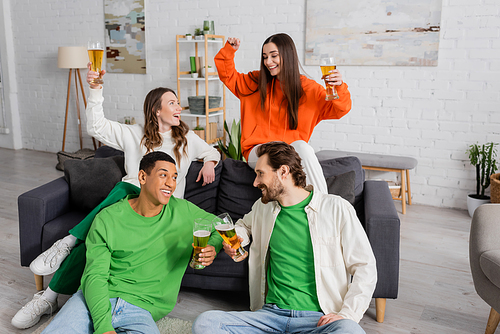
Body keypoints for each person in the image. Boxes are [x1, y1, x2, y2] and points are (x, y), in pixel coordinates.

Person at [11, 67, 220, 329]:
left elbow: (213, 152)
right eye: (172, 102)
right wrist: (96, 89)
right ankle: (49, 296)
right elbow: (96, 126)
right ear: (157, 110)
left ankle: (69, 242)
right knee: (122, 196)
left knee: (111, 206)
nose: (179, 106)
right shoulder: (135, 134)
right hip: (131, 204)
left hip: (164, 211)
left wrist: (210, 162)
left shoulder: (187, 139)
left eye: (178, 102)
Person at [192, 142, 377, 334]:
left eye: (260, 173)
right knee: (206, 323)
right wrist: (238, 239)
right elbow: (243, 226)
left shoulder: (336, 208)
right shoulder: (263, 208)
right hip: (269, 317)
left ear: (283, 172)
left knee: (350, 330)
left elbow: (365, 266)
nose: (255, 182)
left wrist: (347, 314)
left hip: (318, 319)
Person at [41, 151, 222, 334]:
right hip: (96, 298)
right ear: (143, 177)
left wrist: (212, 247)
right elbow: (94, 276)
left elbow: (221, 226)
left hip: (142, 308)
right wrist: (104, 328)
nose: (171, 183)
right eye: (163, 175)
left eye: (174, 177)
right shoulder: (108, 218)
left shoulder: (183, 212)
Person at [214, 33, 352, 194]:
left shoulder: (308, 89)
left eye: (274, 56)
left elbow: (339, 110)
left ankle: (322, 205)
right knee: (286, 156)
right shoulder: (254, 83)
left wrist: (339, 87)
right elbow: (227, 75)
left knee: (302, 147)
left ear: (287, 55)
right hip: (257, 151)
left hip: (289, 154)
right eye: (265, 57)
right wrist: (229, 51)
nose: (268, 62)